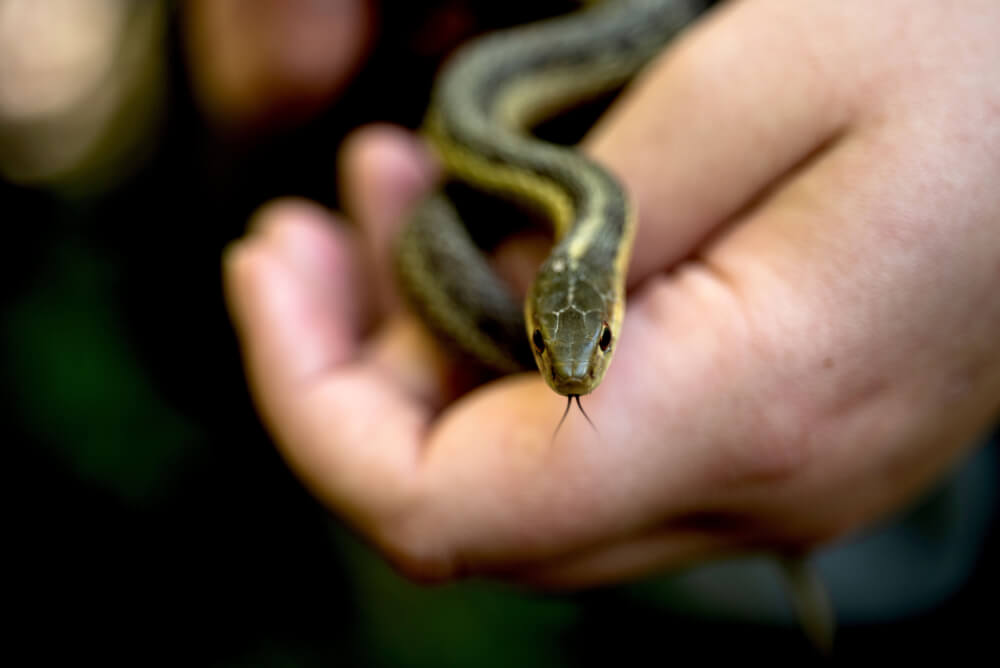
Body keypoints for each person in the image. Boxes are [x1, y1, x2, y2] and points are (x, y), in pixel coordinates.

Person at [222, 0, 1000, 592]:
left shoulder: (587, 208)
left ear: (610, 301)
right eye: (543, 347)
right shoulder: (517, 160)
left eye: (591, 345)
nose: (573, 374)